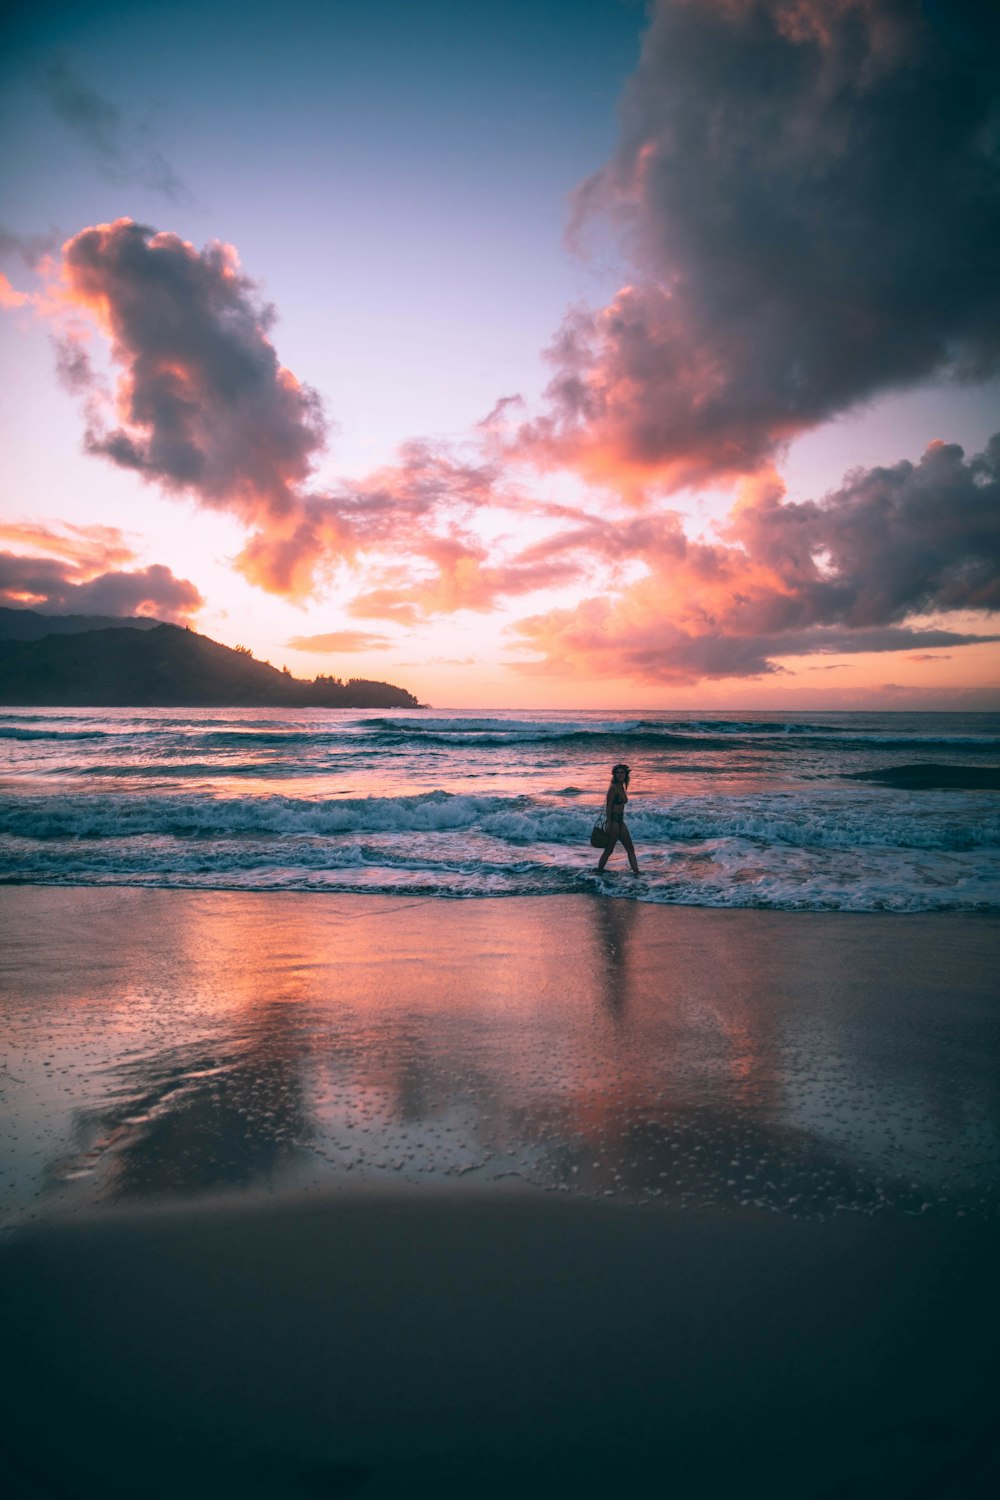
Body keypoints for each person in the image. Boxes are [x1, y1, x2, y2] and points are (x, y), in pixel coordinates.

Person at [597, 762, 639, 874]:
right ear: (614, 775)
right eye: (617, 773)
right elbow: (608, 806)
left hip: (620, 821)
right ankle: (598, 871)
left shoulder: (622, 787)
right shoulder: (613, 787)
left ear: (626, 774)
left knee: (630, 848)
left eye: (622, 772)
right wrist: (609, 824)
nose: (620, 775)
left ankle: (637, 873)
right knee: (609, 850)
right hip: (614, 822)